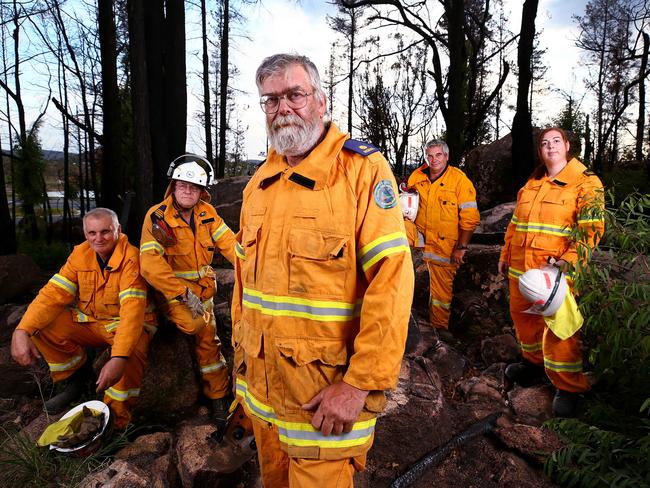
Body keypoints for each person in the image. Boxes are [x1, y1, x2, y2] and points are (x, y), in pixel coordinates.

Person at [230, 53, 414, 487]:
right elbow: (245, 289)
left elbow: (391, 284)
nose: (283, 108)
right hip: (264, 395)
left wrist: (359, 386)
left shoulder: (362, 171)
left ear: (321, 101)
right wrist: (242, 373)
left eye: (295, 94)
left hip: (325, 399)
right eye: (270, 100)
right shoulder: (259, 183)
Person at [10, 208, 154, 429]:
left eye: (105, 232)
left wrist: (119, 357)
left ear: (118, 230)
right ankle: (77, 381)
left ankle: (115, 422)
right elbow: (52, 294)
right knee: (42, 325)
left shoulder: (132, 259)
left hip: (130, 324)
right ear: (85, 233)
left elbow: (131, 315)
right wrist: (22, 330)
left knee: (131, 351)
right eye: (92, 233)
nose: (98, 238)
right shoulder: (80, 254)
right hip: (93, 321)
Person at [498, 127, 605, 417]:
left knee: (559, 327)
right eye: (545, 143)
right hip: (521, 268)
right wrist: (505, 254)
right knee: (523, 320)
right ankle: (532, 364)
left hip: (555, 270)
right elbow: (515, 223)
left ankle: (569, 386)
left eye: (556, 141)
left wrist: (568, 261)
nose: (550, 147)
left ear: (567, 146)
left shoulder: (586, 183)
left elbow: (591, 230)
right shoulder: (533, 183)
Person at [139, 154, 237, 436]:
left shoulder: (208, 213)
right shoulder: (157, 217)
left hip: (203, 294)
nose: (187, 190)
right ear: (173, 186)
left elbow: (230, 244)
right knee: (198, 325)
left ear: (202, 191)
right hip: (173, 294)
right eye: (182, 185)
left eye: (194, 187)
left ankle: (217, 399)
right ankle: (167, 318)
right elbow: (150, 263)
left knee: (210, 344)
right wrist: (179, 292)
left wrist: (251, 266)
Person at [404, 140, 480, 333]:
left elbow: (470, 219)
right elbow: (407, 198)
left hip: (444, 248)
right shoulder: (417, 176)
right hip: (419, 239)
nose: (434, 160)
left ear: (446, 156)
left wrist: (461, 248)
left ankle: (440, 332)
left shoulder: (459, 181)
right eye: (429, 155)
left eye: (438, 155)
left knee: (440, 297)